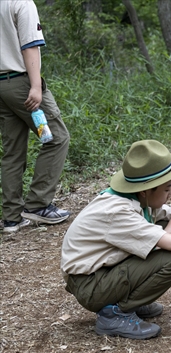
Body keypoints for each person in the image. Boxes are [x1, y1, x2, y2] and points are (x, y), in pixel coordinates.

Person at [61, 140, 171, 340]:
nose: (170, 194)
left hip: (101, 274)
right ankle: (114, 314)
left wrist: (166, 236)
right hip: (89, 284)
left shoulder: (136, 199)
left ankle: (131, 300)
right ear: (145, 190)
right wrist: (168, 237)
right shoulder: (118, 212)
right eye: (166, 189)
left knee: (163, 239)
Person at [0, 0, 71, 233]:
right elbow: (29, 46)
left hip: (1, 87)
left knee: (13, 151)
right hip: (22, 84)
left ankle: (11, 218)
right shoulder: (21, 2)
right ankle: (38, 205)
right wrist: (35, 86)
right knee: (57, 137)